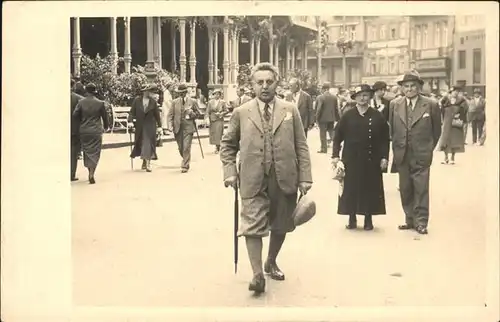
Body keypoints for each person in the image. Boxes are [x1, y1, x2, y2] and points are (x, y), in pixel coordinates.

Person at [220, 62, 312, 294]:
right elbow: (228, 145)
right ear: (252, 85)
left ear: (276, 83)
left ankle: (270, 261)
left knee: (281, 224)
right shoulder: (241, 112)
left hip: (284, 176)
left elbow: (301, 145)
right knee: (252, 225)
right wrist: (230, 172)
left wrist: (305, 177)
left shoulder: (290, 110)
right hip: (252, 177)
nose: (264, 86)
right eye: (259, 82)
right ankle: (257, 274)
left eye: (269, 82)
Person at [389, 70, 441, 235]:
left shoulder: (431, 104)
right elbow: (393, 129)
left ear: (419, 87)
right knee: (405, 188)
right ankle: (409, 219)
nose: (409, 89)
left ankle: (421, 222)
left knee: (421, 188)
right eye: (406, 86)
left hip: (421, 154)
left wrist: (427, 148)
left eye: (413, 86)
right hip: (402, 153)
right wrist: (397, 147)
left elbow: (436, 131)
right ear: (402, 88)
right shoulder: (395, 104)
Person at [332, 84, 390, 230]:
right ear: (355, 98)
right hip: (351, 159)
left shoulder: (377, 116)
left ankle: (368, 219)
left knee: (370, 188)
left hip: (371, 159)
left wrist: (384, 157)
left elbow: (384, 139)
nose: (363, 98)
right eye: (359, 95)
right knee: (351, 189)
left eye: (365, 95)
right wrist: (335, 156)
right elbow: (337, 136)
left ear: (370, 97)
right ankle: (351, 218)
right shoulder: (348, 115)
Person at [72, 83, 110, 184]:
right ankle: (92, 173)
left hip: (84, 130)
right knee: (95, 152)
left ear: (86, 90)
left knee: (87, 152)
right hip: (96, 130)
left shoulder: (81, 102)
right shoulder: (100, 103)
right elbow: (105, 117)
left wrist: (82, 119)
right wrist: (106, 127)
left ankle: (89, 171)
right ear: (94, 91)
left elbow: (75, 114)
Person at [167, 83, 202, 173]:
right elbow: (170, 115)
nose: (181, 94)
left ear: (186, 92)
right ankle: (186, 158)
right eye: (179, 92)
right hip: (178, 127)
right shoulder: (174, 102)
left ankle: (185, 165)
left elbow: (198, 114)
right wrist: (170, 125)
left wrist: (191, 113)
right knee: (181, 147)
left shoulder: (193, 101)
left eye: (182, 92)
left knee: (186, 146)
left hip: (188, 127)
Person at [128, 84, 163, 172]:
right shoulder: (137, 101)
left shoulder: (153, 102)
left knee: (148, 143)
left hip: (150, 126)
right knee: (142, 143)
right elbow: (132, 112)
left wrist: (160, 127)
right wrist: (130, 122)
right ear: (143, 92)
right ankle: (144, 161)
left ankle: (148, 164)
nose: (149, 92)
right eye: (147, 91)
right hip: (140, 126)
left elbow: (157, 115)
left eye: (150, 91)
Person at [437, 85, 467, 165]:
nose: (456, 93)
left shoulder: (461, 100)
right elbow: (440, 107)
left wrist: (460, 116)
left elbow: (464, 110)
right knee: (445, 139)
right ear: (451, 91)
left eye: (457, 92)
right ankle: (445, 157)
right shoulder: (446, 99)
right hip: (447, 121)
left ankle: (452, 157)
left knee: (455, 139)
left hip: (456, 121)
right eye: (454, 91)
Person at [315, 82, 340, 154]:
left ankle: (324, 149)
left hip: (322, 119)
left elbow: (319, 109)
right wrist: (338, 118)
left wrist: (316, 118)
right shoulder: (334, 97)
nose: (321, 90)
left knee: (323, 134)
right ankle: (337, 145)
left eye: (321, 88)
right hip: (331, 118)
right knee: (331, 132)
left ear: (324, 89)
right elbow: (336, 109)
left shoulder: (320, 97)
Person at [206, 89, 228, 153]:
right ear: (213, 95)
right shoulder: (210, 102)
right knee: (213, 134)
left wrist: (221, 114)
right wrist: (207, 119)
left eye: (218, 94)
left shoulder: (223, 102)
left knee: (219, 133)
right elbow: (207, 111)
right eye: (215, 94)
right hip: (212, 119)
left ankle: (218, 147)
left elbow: (226, 111)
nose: (217, 95)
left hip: (219, 120)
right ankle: (216, 146)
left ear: (220, 95)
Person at [70, 79, 84, 181]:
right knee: (73, 153)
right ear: (73, 86)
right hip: (74, 130)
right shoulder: (79, 99)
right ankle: (71, 174)